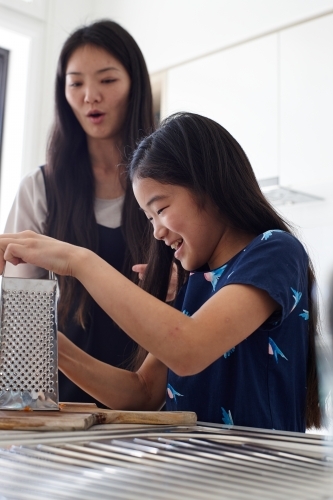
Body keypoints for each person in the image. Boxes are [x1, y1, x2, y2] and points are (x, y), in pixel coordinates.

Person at [0, 112, 321, 431]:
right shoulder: (197, 285)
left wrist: (79, 261)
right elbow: (141, 393)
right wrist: (44, 341)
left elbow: (189, 349)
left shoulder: (275, 251)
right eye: (149, 218)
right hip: (203, 474)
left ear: (209, 186)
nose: (157, 232)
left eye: (161, 210)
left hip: (261, 475)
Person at [3, 20, 155, 405]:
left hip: (155, 399)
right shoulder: (40, 188)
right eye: (76, 83)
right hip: (66, 401)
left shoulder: (169, 184)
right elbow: (21, 306)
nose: (90, 96)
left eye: (107, 80)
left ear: (134, 84)